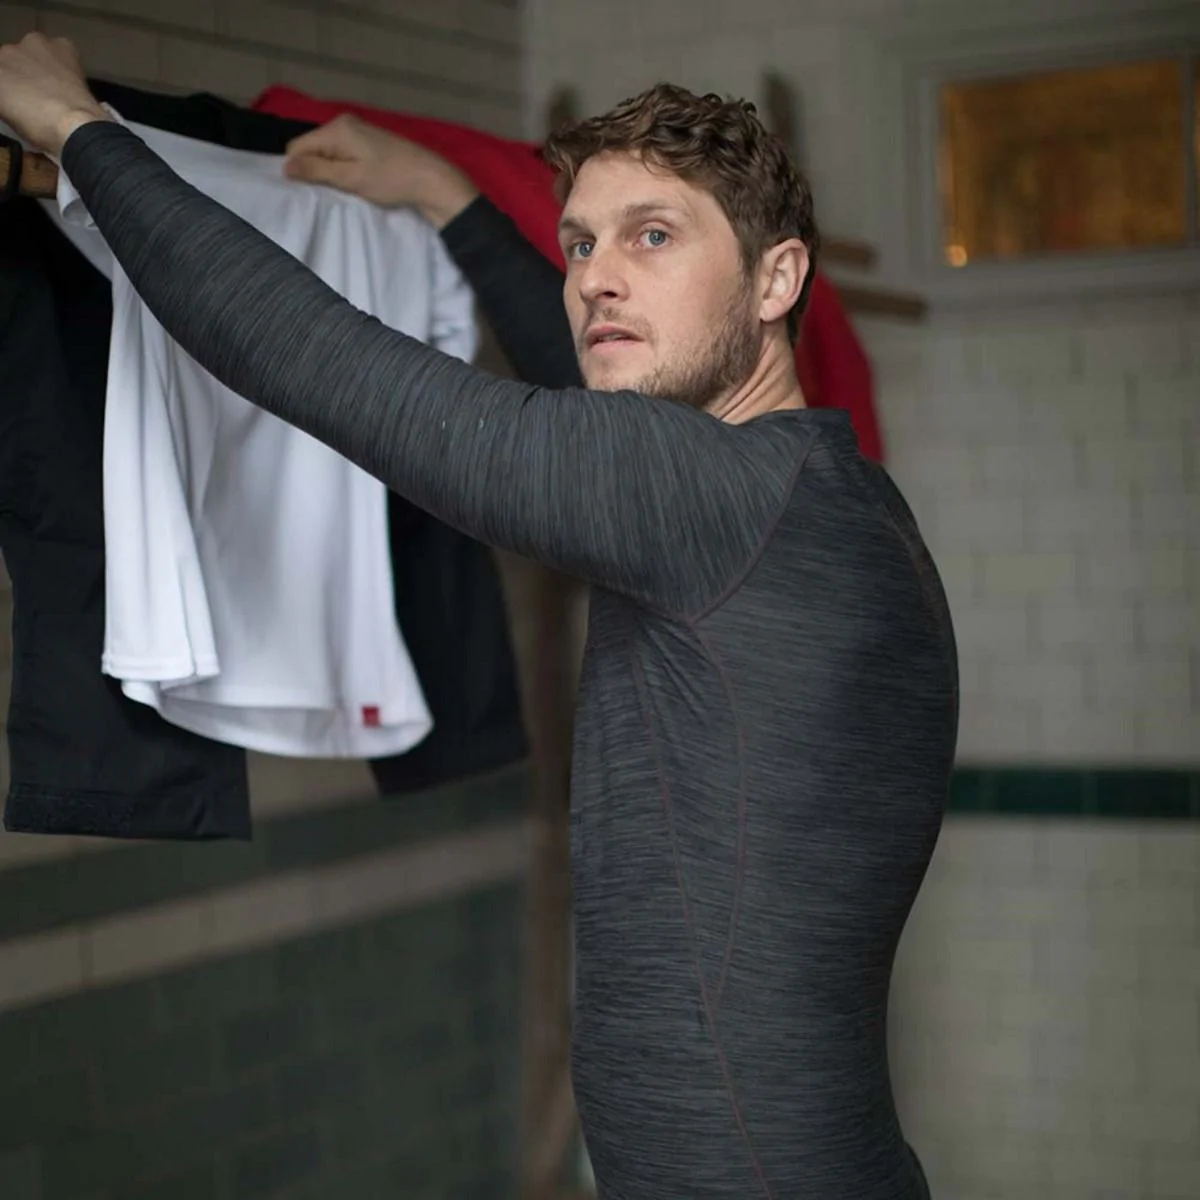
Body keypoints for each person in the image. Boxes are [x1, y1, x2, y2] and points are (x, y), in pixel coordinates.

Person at [0, 33, 954, 1199]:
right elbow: (587, 392)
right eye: (581, 242)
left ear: (777, 280)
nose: (596, 277)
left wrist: (78, 133)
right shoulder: (813, 492)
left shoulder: (711, 493)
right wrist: (447, 197)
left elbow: (326, 367)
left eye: (654, 236)